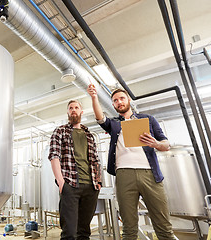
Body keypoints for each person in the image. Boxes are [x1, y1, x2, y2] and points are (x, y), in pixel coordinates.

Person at [87, 85, 176, 240]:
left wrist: (156, 144)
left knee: (164, 227)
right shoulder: (114, 124)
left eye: (122, 98)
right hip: (124, 175)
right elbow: (100, 117)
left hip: (150, 175)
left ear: (128, 100)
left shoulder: (148, 119)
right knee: (129, 229)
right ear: (113, 105)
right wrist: (94, 97)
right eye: (115, 100)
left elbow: (166, 144)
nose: (119, 102)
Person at [48, 100, 102, 240]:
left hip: (91, 187)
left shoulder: (89, 135)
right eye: (70, 108)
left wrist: (98, 181)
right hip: (70, 185)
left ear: (81, 112)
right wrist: (61, 182)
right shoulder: (60, 131)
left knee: (84, 232)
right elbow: (54, 155)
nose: (73, 110)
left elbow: (96, 160)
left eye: (76, 107)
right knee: (69, 233)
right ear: (67, 112)